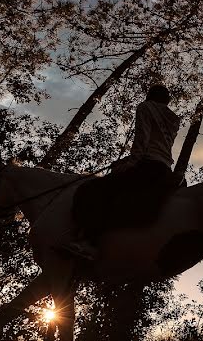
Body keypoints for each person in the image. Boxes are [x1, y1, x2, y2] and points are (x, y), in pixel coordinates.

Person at [60, 84, 181, 260]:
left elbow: (143, 138)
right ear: (167, 100)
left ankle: (87, 242)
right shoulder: (174, 119)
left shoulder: (146, 107)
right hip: (163, 167)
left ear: (150, 96)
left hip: (146, 164)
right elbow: (159, 145)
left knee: (91, 189)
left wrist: (131, 162)